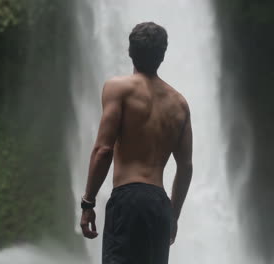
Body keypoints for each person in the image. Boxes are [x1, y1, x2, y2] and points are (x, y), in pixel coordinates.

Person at [80, 22, 193, 264]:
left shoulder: (119, 89)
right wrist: (172, 216)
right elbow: (185, 167)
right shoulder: (180, 104)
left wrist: (88, 202)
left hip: (128, 199)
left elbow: (103, 150)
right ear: (163, 55)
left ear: (130, 51)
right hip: (159, 204)